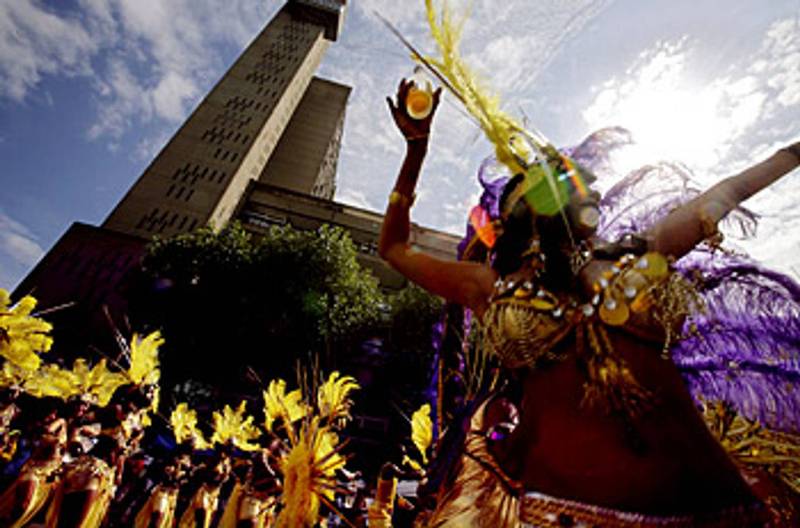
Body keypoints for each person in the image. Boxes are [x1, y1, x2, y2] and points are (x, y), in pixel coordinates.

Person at [380, 78, 800, 526]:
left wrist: (791, 154)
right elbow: (395, 249)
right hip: (562, 507)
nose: (595, 195)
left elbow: (724, 194)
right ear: (539, 204)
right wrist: (416, 152)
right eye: (578, 186)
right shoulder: (488, 286)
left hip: (702, 502)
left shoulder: (636, 254)